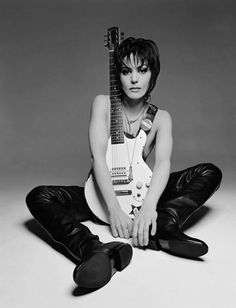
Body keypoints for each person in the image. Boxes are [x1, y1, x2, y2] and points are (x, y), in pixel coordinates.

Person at [26, 36, 222, 290]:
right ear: (117, 75)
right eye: (126, 71)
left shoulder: (161, 118)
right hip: (100, 194)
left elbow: (163, 164)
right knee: (39, 197)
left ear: (153, 74)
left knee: (209, 172)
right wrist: (113, 209)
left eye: (142, 70)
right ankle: (93, 249)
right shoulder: (103, 104)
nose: (134, 79)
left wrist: (150, 205)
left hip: (142, 194)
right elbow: (97, 156)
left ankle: (163, 225)